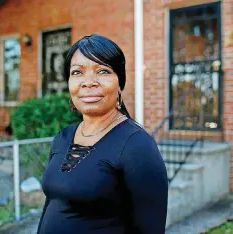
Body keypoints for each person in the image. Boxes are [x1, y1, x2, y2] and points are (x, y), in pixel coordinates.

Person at [37, 34, 168, 234]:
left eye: (103, 71)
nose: (88, 82)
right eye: (77, 72)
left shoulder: (136, 145)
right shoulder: (63, 137)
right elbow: (52, 205)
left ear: (120, 83)